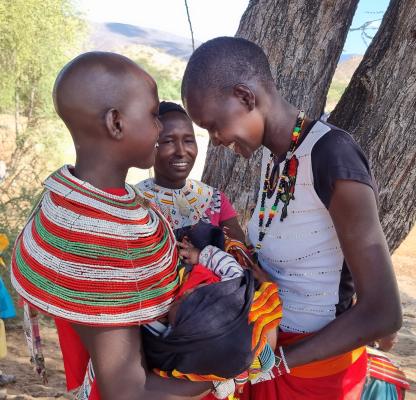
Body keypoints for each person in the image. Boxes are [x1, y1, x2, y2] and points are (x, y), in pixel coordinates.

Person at [181, 36, 402, 399]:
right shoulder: (275, 158)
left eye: (213, 124)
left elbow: (383, 313)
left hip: (312, 371)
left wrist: (274, 361)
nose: (215, 140)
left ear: (246, 97)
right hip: (269, 345)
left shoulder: (333, 156)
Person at [10, 51, 210, 400]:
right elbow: (130, 392)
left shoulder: (66, 203)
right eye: (152, 116)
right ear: (116, 123)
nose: (160, 127)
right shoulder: (107, 240)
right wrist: (228, 378)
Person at [137, 101, 245, 243]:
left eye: (188, 141)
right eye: (169, 141)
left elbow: (240, 255)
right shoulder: (135, 201)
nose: (181, 152)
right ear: (150, 145)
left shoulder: (214, 199)